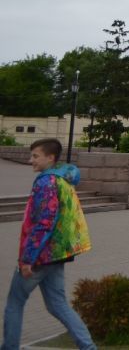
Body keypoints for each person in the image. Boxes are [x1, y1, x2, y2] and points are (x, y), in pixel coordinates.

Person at [3, 138, 95, 350]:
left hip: (40, 256)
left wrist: (27, 259)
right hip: (56, 254)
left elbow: (44, 223)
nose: (30, 160)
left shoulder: (47, 183)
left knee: (15, 303)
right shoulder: (62, 180)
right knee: (58, 305)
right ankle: (88, 347)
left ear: (50, 158)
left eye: (36, 156)